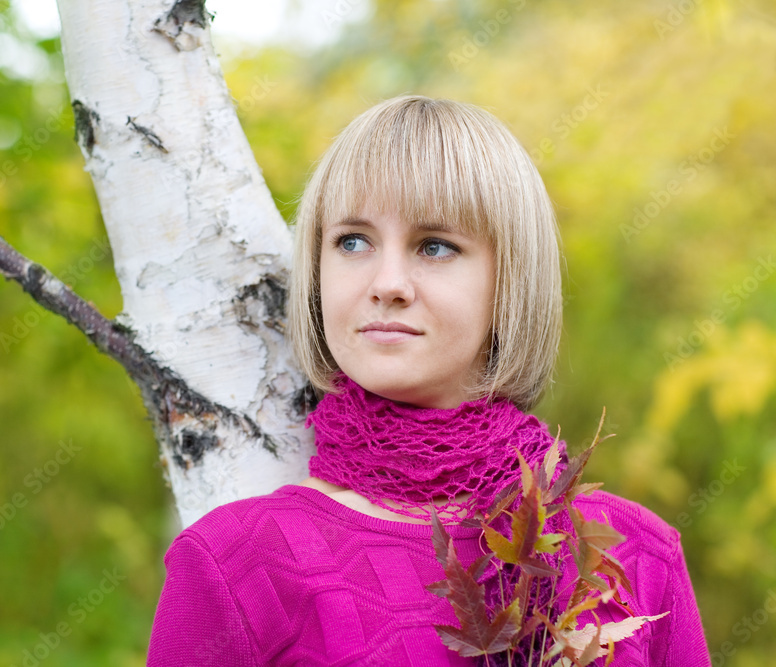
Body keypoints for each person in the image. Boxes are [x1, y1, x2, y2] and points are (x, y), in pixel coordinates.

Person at [146, 96, 710, 666]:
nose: (387, 282)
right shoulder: (236, 564)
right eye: (352, 242)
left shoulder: (639, 555)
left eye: (435, 246)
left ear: (510, 281)